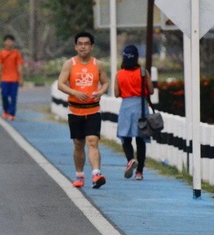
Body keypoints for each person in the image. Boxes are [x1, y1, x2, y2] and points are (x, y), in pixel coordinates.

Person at [56, 31, 109, 189]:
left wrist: (100, 92)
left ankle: (96, 174)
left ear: (92, 46)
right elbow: (60, 84)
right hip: (75, 110)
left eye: (86, 44)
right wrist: (75, 93)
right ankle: (79, 175)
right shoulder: (69, 64)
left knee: (92, 141)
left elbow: (106, 83)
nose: (83, 47)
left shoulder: (98, 64)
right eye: (80, 44)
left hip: (93, 110)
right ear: (75, 47)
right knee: (78, 143)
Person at [114, 44, 153, 181]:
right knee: (140, 139)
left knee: (126, 137)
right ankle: (139, 172)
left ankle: (130, 159)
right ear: (136, 57)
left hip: (126, 107)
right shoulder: (143, 72)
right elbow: (151, 90)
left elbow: (116, 93)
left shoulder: (119, 74)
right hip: (141, 107)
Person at [0, 34, 24, 120]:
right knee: (4, 96)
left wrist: (21, 78)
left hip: (14, 79)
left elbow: (19, 66)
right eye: (7, 41)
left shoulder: (17, 53)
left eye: (11, 41)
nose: (9, 42)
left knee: (13, 97)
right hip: (4, 79)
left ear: (13, 42)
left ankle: (12, 114)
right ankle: (6, 110)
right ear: (4, 42)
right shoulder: (1, 53)